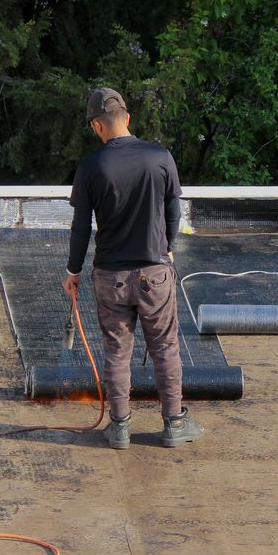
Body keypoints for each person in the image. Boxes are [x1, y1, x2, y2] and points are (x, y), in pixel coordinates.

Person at [62, 87, 204, 450]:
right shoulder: (160, 156)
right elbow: (174, 209)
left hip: (110, 278)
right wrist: (168, 250)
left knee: (116, 351)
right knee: (165, 347)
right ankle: (174, 423)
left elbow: (81, 227)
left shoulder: (91, 167)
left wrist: (72, 271)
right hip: (154, 273)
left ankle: (120, 427)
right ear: (127, 118)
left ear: (97, 126)